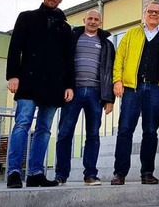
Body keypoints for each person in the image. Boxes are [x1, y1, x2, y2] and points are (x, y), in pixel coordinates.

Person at [5, 0, 74, 188]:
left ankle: (36, 173)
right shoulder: (26, 18)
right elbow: (15, 47)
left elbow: (68, 59)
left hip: (54, 86)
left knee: (44, 129)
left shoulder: (64, 27)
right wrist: (13, 75)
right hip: (27, 82)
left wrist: (69, 85)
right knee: (22, 124)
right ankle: (14, 172)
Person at [110, 1, 159, 185]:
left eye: (157, 12)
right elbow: (120, 58)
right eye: (151, 11)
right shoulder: (132, 34)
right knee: (125, 130)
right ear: (144, 13)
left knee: (150, 131)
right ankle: (120, 173)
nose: (154, 15)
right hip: (132, 88)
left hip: (155, 89)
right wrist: (117, 80)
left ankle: (147, 172)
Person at [54, 10, 115, 186]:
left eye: (96, 19)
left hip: (95, 93)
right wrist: (66, 86)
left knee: (93, 135)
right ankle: (61, 175)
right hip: (74, 91)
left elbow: (109, 72)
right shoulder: (72, 38)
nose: (93, 22)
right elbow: (63, 64)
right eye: (90, 19)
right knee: (65, 133)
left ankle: (90, 175)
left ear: (101, 22)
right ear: (84, 20)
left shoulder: (107, 44)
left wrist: (109, 98)